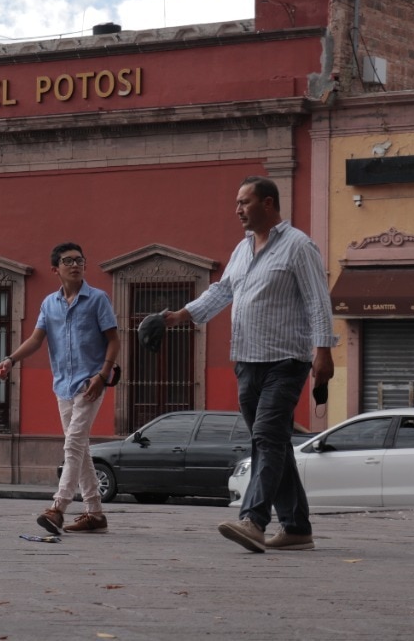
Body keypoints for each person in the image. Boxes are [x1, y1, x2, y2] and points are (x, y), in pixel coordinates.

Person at [161, 175, 335, 553]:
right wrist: (182, 315)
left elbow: (318, 301)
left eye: (244, 202)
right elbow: (223, 290)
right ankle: (297, 528)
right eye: (237, 203)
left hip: (285, 362)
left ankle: (253, 520)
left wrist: (324, 351)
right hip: (247, 363)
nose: (237, 209)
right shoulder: (242, 250)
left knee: (267, 438)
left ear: (268, 203)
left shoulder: (298, 246)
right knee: (274, 444)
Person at [0, 242, 119, 534]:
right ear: (56, 269)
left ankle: (57, 508)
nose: (75, 265)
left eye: (79, 260)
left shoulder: (98, 299)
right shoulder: (49, 304)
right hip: (63, 385)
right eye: (68, 261)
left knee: (73, 443)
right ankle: (95, 513)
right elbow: (37, 339)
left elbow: (114, 339)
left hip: (91, 383)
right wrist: (11, 360)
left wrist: (102, 375)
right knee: (81, 448)